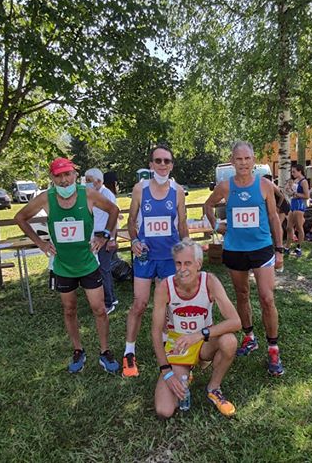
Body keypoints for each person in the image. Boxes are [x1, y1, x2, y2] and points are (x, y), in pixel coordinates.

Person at [15, 158, 121, 374]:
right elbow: (21, 217)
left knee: (99, 309)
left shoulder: (87, 194)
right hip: (63, 265)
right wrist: (40, 243)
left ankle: (104, 351)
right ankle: (78, 350)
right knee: (69, 309)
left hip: (88, 263)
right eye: (58, 176)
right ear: (52, 178)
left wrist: (104, 236)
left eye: (67, 174)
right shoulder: (46, 198)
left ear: (74, 175)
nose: (64, 180)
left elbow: (114, 210)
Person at [204, 141, 285, 376]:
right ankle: (249, 337)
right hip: (235, 249)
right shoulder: (225, 186)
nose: (243, 163)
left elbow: (274, 217)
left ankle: (273, 349)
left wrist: (279, 249)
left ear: (253, 160)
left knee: (267, 298)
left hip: (261, 248)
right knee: (242, 294)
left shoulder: (264, 185)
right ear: (232, 161)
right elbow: (208, 205)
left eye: (247, 158)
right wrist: (216, 225)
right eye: (239, 159)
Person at [152, 238, 241, 418]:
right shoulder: (164, 287)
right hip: (178, 344)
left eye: (188, 263)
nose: (182, 269)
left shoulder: (210, 281)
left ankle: (213, 388)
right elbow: (155, 332)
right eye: (178, 263)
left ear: (199, 264)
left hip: (203, 342)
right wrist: (166, 371)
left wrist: (198, 335)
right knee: (164, 410)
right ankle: (185, 371)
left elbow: (235, 322)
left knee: (229, 341)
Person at [122, 144, 188, 378]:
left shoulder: (177, 191)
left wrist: (187, 251)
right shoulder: (140, 189)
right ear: (151, 164)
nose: (162, 165)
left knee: (170, 304)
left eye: (166, 161)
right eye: (158, 160)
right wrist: (134, 240)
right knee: (139, 304)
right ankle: (129, 351)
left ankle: (168, 344)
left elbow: (182, 224)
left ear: (172, 165)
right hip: (146, 256)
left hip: (169, 257)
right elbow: (131, 221)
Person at [84, 168, 119, 314]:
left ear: (99, 181)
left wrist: (111, 239)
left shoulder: (106, 194)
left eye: (89, 181)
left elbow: (114, 217)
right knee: (103, 269)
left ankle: (108, 302)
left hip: (104, 237)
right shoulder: (92, 195)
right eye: (86, 180)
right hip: (95, 237)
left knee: (103, 270)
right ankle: (112, 298)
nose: (86, 183)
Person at [284, 164, 310, 257]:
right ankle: (287, 248)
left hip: (299, 205)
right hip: (293, 204)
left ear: (300, 171)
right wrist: (288, 190)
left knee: (299, 227)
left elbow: (307, 196)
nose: (292, 173)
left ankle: (299, 248)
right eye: (292, 172)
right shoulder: (295, 180)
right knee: (289, 227)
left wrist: (294, 193)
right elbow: (291, 192)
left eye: (294, 171)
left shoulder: (304, 182)